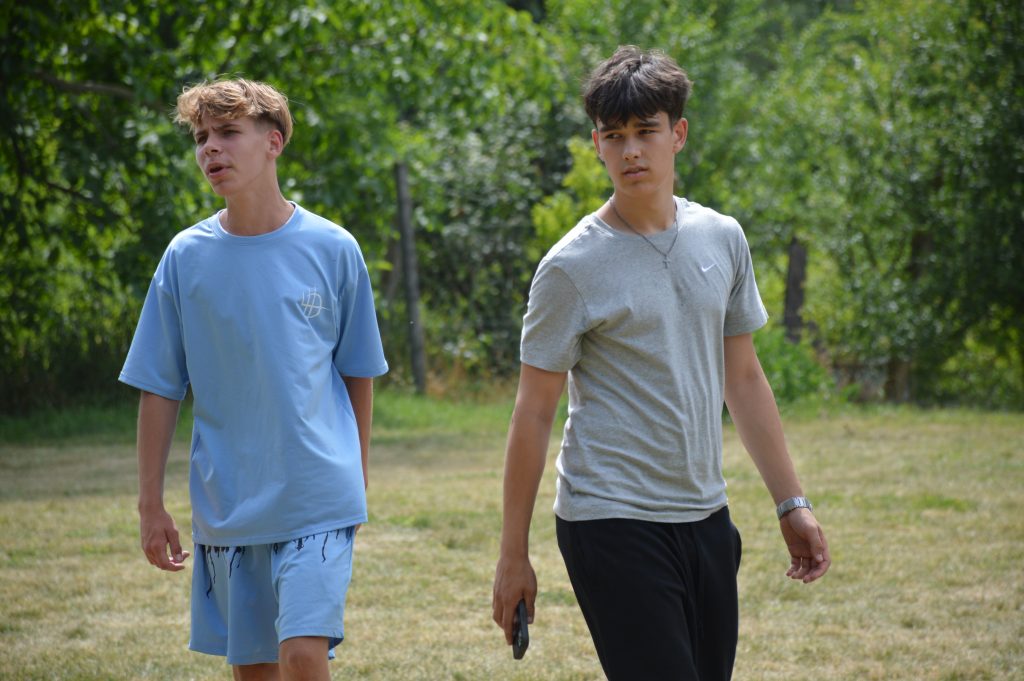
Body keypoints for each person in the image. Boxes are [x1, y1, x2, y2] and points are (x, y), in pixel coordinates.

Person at [491, 46, 830, 680]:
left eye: (646, 131)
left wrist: (791, 502)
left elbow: (744, 379)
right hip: (609, 518)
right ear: (597, 144)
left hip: (706, 516)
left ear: (678, 134)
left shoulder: (722, 237)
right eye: (614, 136)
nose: (631, 152)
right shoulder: (570, 268)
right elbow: (533, 413)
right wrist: (514, 554)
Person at [119, 78, 388, 680]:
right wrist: (150, 505)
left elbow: (357, 372)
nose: (210, 148)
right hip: (229, 503)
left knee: (302, 653)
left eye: (228, 132)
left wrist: (357, 475)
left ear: (274, 142)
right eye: (201, 137)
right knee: (257, 670)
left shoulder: (334, 248)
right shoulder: (184, 257)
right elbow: (160, 386)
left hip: (317, 496)